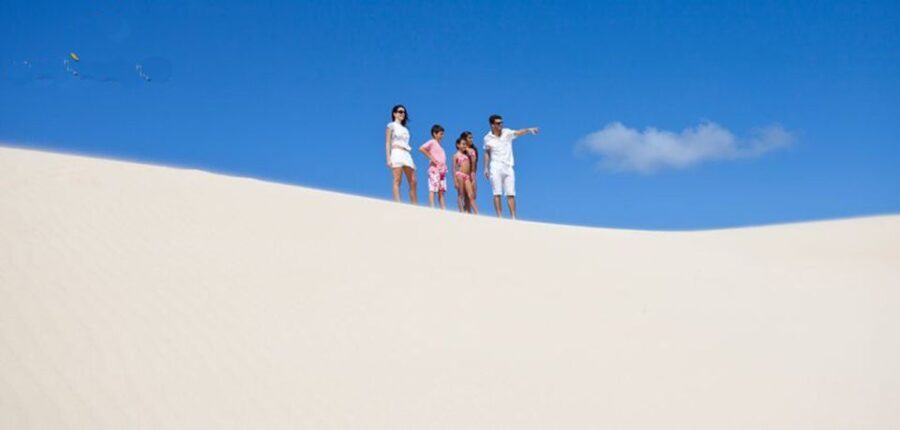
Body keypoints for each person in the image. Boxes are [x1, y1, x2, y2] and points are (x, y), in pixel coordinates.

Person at [483, 114, 538, 219]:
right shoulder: (487, 138)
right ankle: (499, 217)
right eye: (498, 123)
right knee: (497, 193)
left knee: (511, 193)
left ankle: (513, 217)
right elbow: (487, 153)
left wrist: (529, 130)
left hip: (508, 167)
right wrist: (485, 168)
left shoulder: (507, 132)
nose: (501, 125)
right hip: (495, 166)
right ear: (492, 125)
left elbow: (518, 132)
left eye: (501, 122)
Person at [385, 105, 417, 203]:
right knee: (397, 179)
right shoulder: (391, 125)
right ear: (394, 113)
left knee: (413, 181)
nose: (402, 114)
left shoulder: (405, 129)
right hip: (396, 151)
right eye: (400, 111)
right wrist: (388, 158)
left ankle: (415, 205)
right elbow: (387, 142)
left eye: (404, 112)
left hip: (406, 153)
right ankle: (398, 203)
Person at [419, 124, 448, 209]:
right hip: (434, 169)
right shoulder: (432, 142)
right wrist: (432, 158)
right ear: (435, 134)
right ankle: (432, 207)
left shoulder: (440, 146)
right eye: (441, 134)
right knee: (433, 189)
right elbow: (422, 148)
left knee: (441, 191)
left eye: (443, 134)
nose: (442, 136)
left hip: (442, 170)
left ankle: (443, 209)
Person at [453, 137, 478, 214]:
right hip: (459, 175)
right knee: (461, 194)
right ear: (458, 145)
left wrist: (467, 149)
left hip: (467, 176)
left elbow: (472, 154)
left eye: (465, 144)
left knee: (471, 195)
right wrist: (455, 181)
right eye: (463, 144)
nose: (464, 146)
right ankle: (461, 211)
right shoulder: (455, 155)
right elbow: (454, 169)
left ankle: (476, 213)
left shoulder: (467, 154)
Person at [461, 131, 478, 213]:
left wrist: (473, 174)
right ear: (465, 139)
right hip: (464, 174)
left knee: (473, 195)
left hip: (472, 173)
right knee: (467, 195)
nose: (471, 139)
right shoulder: (462, 150)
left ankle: (467, 211)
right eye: (469, 138)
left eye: (472, 138)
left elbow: (475, 163)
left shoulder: (473, 150)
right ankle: (468, 213)